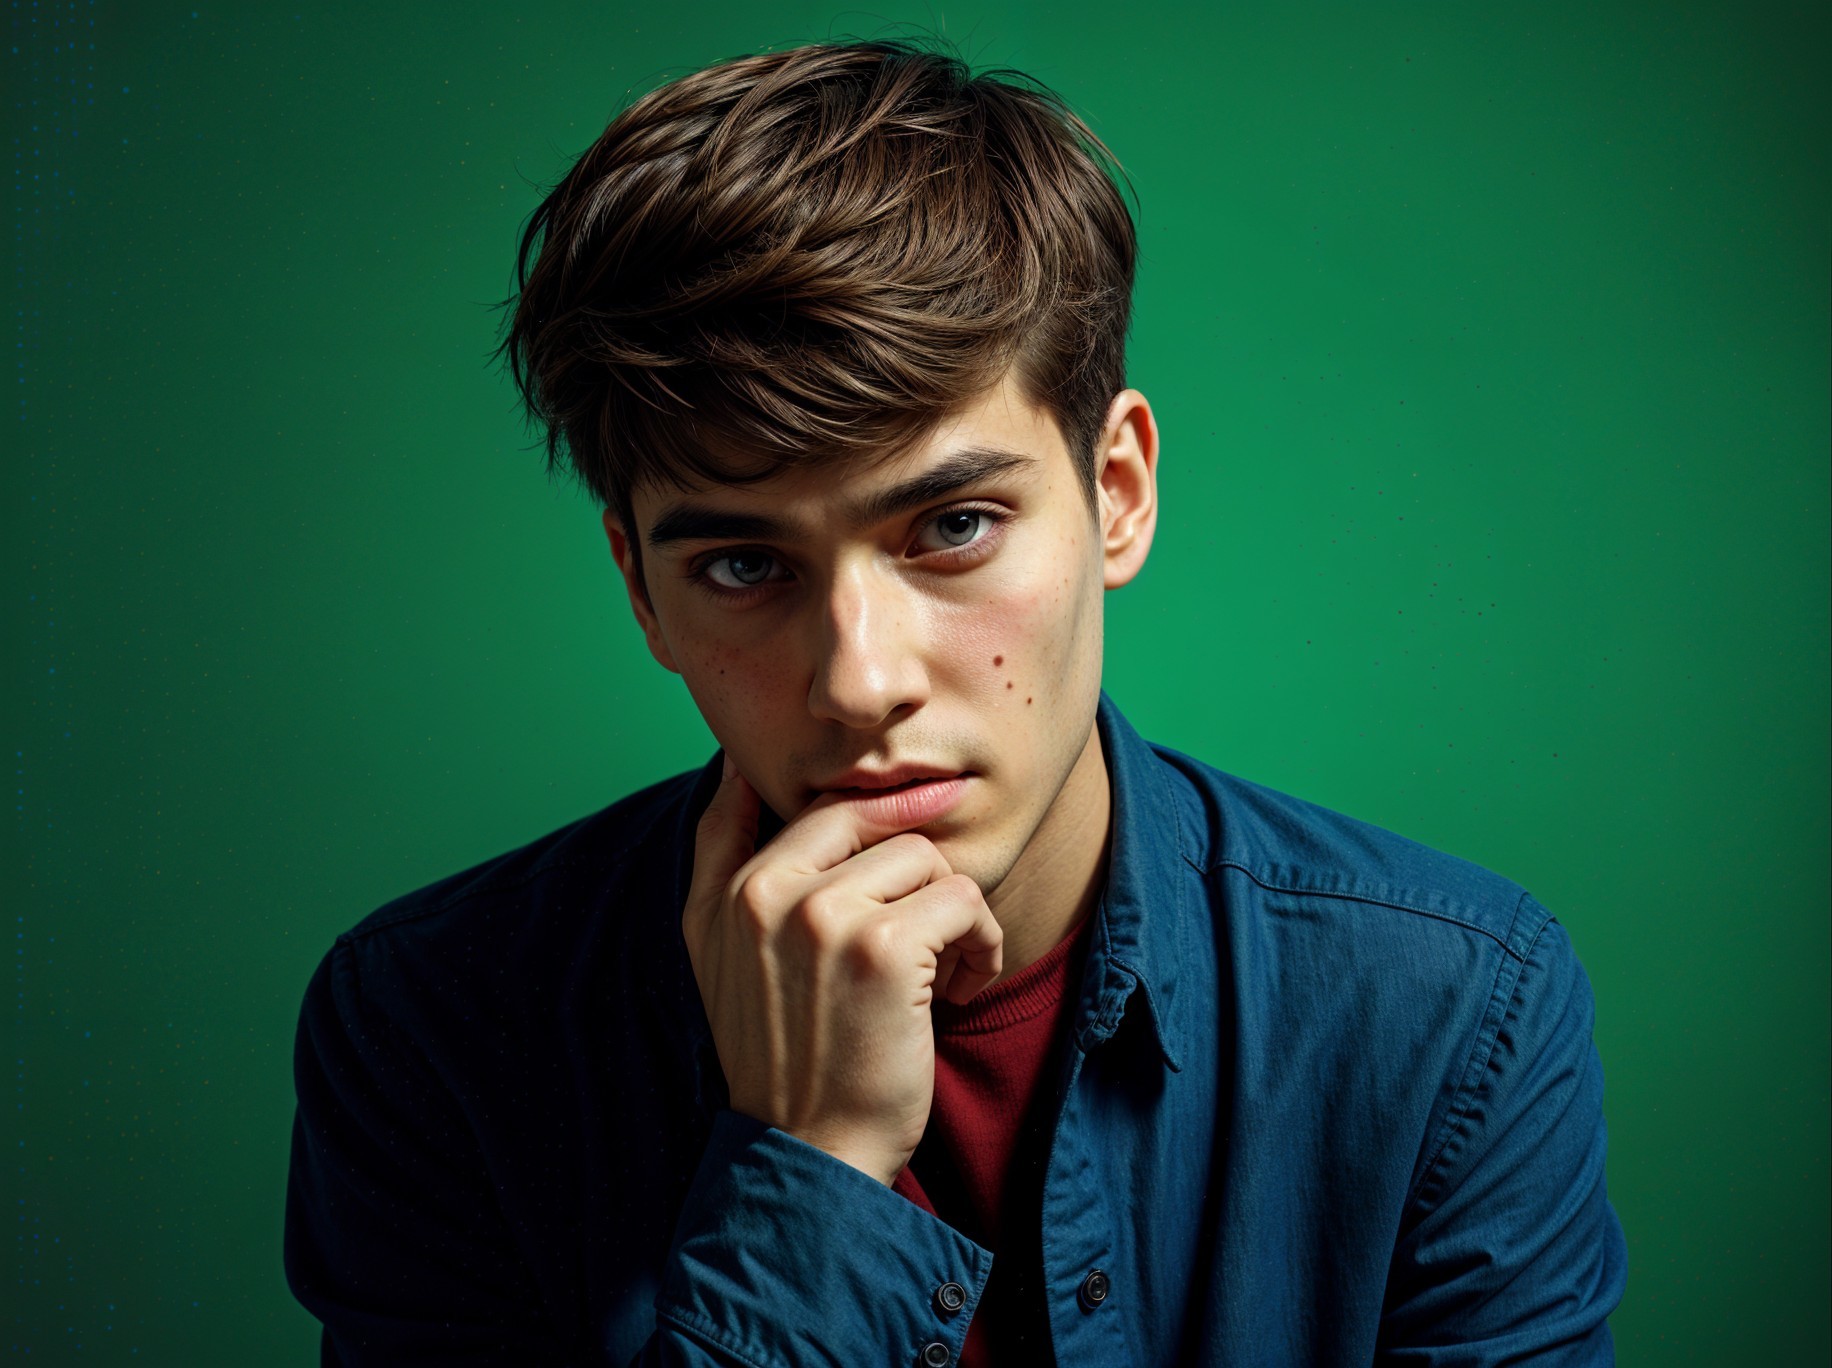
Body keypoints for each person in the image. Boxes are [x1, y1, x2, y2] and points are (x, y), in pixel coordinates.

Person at [282, 36, 1628, 1367]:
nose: (860, 683)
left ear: (1117, 493)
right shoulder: (434, 1032)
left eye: (954, 527)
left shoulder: (1449, 1011)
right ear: (641, 588)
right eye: (743, 565)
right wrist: (813, 1168)